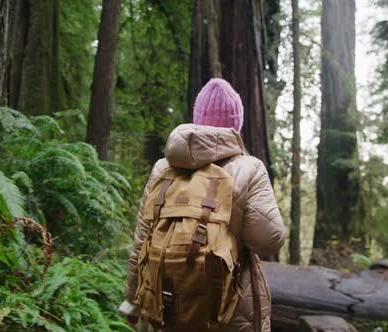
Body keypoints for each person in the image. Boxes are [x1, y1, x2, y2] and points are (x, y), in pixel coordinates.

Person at [120, 78, 285, 332]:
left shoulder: (163, 168)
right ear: (236, 124)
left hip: (166, 308)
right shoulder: (249, 168)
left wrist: (131, 300)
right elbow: (268, 240)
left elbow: (142, 240)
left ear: (197, 118)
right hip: (227, 312)